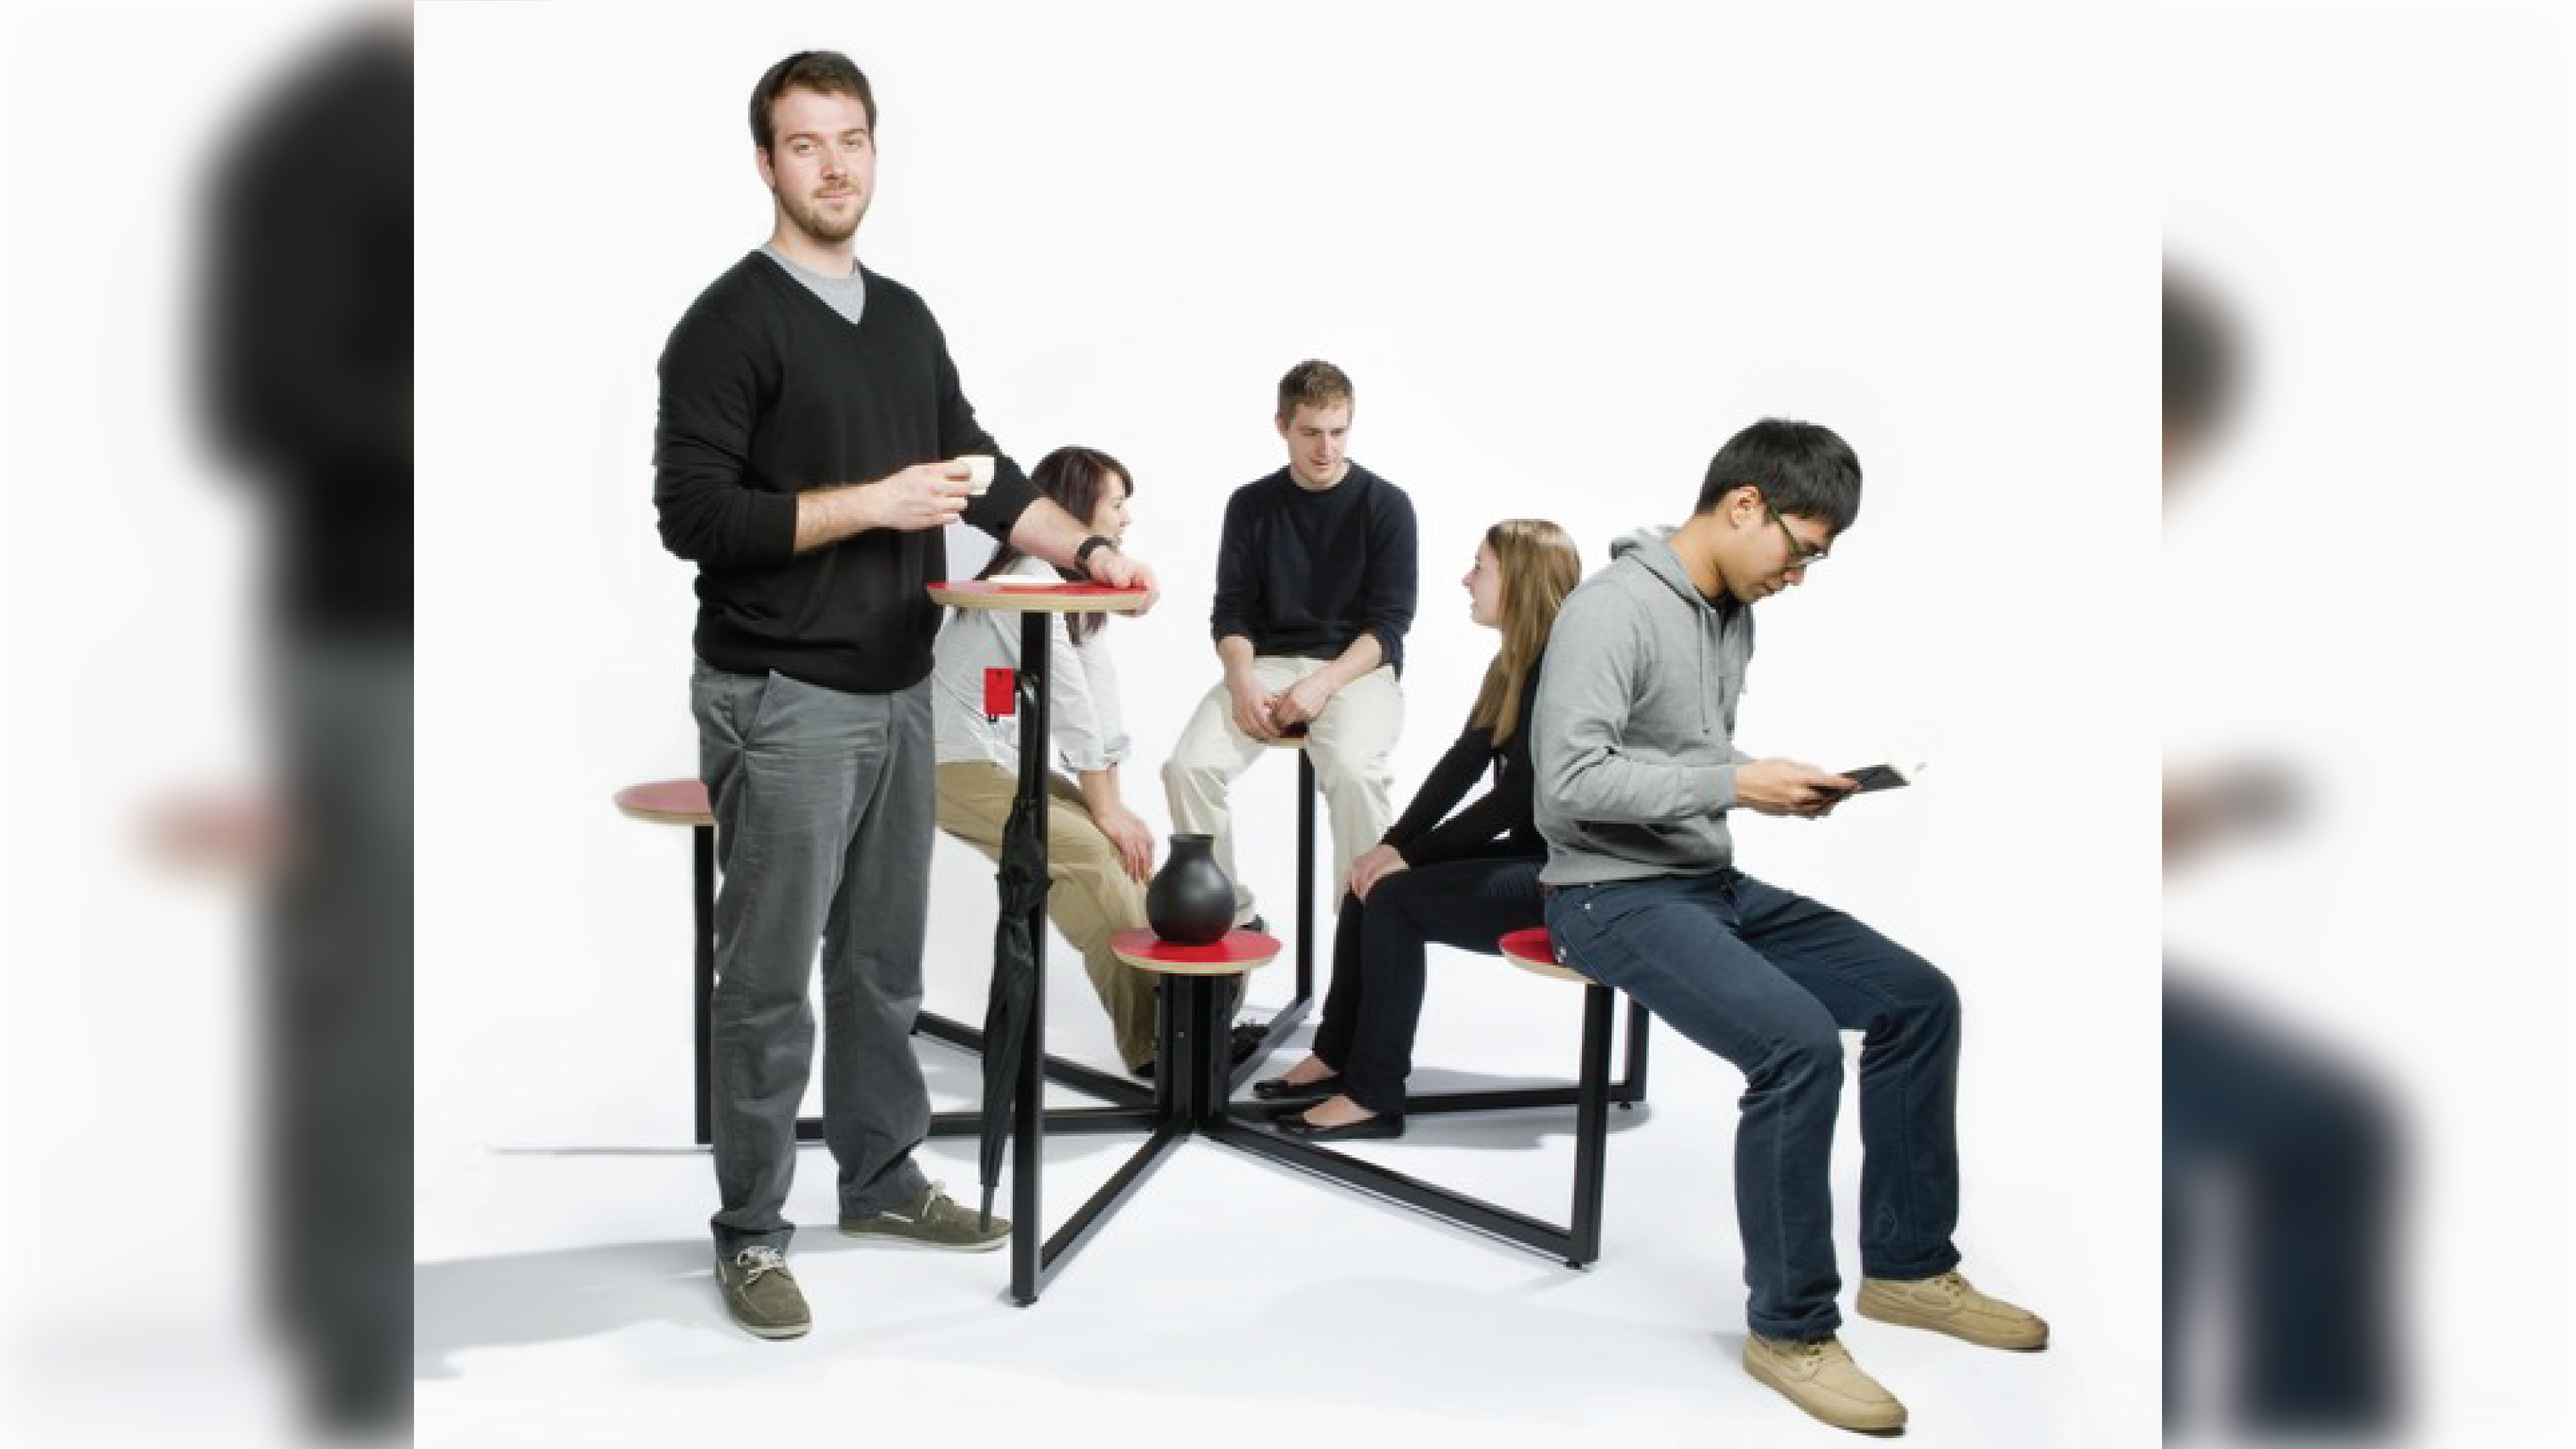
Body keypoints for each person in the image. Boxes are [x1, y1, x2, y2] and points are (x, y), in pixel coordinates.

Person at [652, 51, 1159, 1342]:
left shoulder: (906, 319)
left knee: (877, 968)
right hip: (780, 694)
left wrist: (1088, 553)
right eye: (805, 144)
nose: (833, 166)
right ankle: (753, 1232)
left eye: (853, 141)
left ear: (876, 152)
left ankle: (878, 1180)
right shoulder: (727, 324)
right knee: (768, 982)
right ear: (764, 162)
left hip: (894, 694)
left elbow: (982, 472)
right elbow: (693, 517)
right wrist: (871, 506)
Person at [1532, 418, 2045, 1433]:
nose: (1801, 574)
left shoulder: (1730, 615)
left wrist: (1777, 783)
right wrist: (1734, 782)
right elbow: (1570, 781)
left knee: (1917, 998)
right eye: (1799, 549)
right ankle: (1791, 1329)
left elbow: (1678, 760)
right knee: (1797, 1044)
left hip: (1706, 879)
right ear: (1742, 505)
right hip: (1605, 894)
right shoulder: (1613, 608)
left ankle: (1906, 1265)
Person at [1252, 520, 1583, 1140]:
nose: (1466, 579)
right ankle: (1338, 1054)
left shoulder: (1561, 668)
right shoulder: (1515, 661)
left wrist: (1409, 859)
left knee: (1395, 900)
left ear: (1520, 579)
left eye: (1479, 567)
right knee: (1367, 877)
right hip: (1533, 856)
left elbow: (1515, 801)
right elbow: (1464, 762)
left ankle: (1372, 1095)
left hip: (1569, 882)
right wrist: (1391, 846)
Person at [1161, 360, 1417, 939]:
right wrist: (1242, 679)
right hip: (1268, 664)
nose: (1325, 448)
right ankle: (1230, 912)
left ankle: (1366, 931)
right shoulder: (1251, 505)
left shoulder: (1387, 505)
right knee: (1188, 767)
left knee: (1353, 772)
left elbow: (1390, 625)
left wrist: (1322, 683)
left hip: (1357, 667)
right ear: (1282, 425)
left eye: (1338, 431)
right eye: (1310, 432)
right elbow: (1231, 611)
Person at [930, 446, 1161, 1076]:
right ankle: (1152, 1045)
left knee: (1114, 851)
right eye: (1116, 503)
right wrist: (1104, 809)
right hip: (950, 768)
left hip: (998, 762)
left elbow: (1096, 694)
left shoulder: (1065, 584)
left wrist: (1113, 806)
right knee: (1090, 848)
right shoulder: (1029, 576)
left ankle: (1164, 1022)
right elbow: (1071, 708)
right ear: (1077, 506)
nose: (1126, 518)